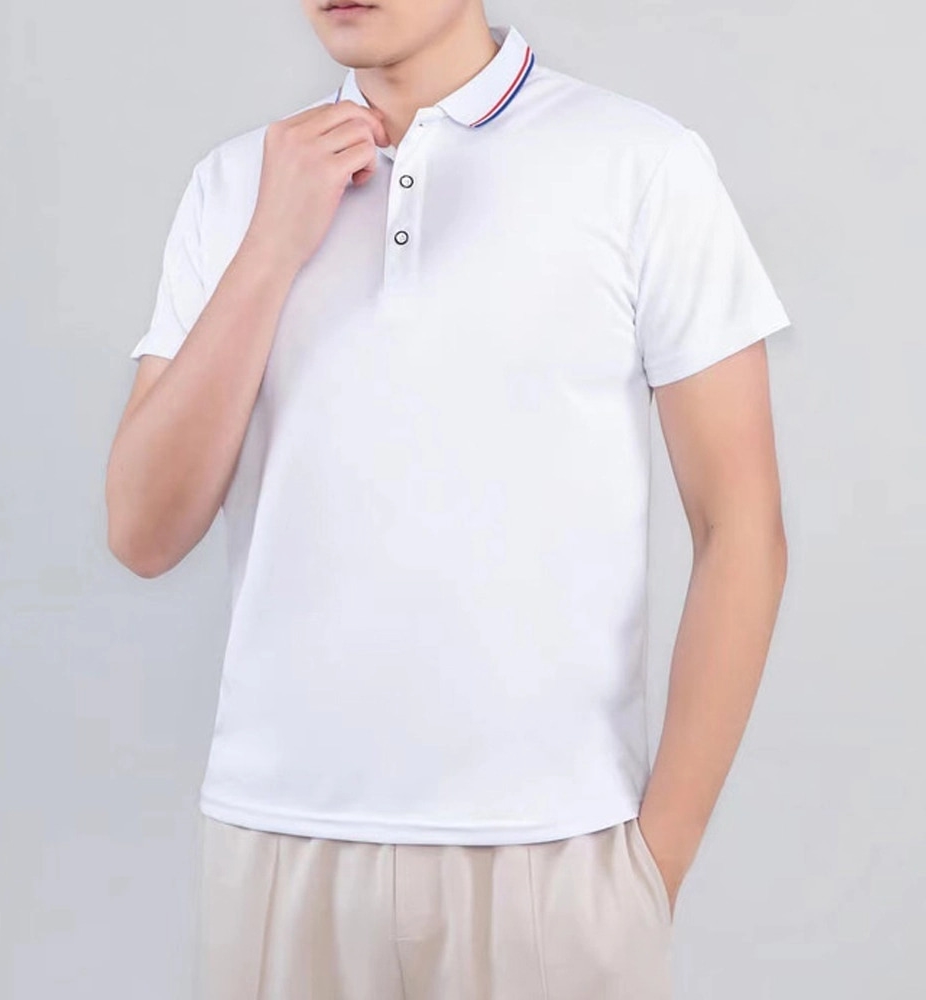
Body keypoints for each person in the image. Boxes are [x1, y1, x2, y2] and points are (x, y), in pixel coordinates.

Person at [105, 1, 792, 997]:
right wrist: (270, 245)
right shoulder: (233, 185)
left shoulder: (641, 165)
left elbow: (741, 526)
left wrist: (654, 865)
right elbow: (142, 530)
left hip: (553, 852)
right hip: (277, 843)